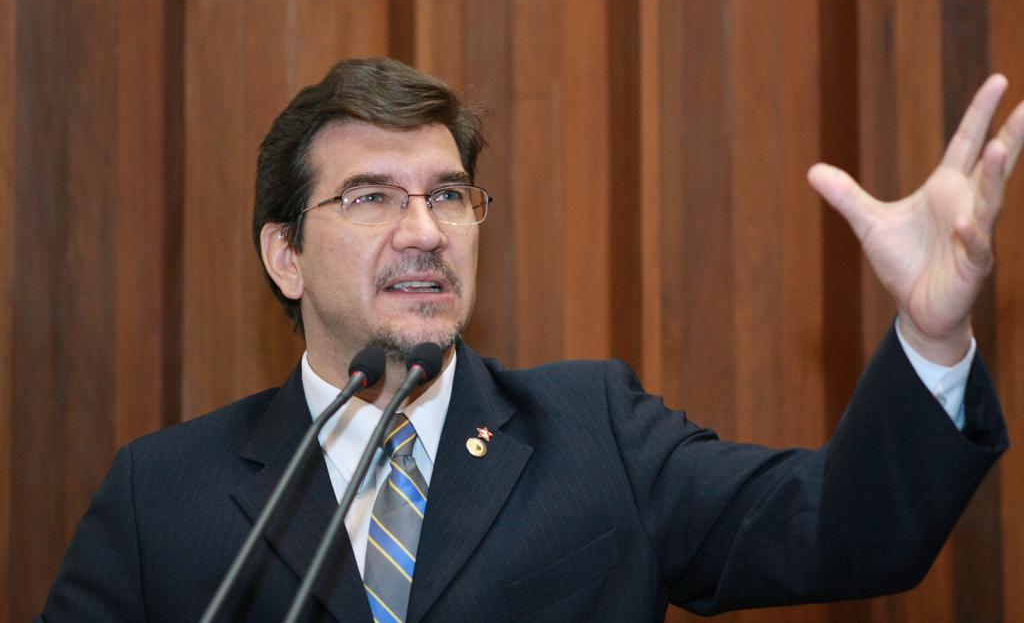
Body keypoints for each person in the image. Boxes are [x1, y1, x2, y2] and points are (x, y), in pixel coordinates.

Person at [39, 58, 1021, 622]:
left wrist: (931, 332)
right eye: (372, 197)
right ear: (285, 255)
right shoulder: (160, 494)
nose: (424, 230)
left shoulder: (596, 434)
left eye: (448, 195)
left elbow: (844, 528)